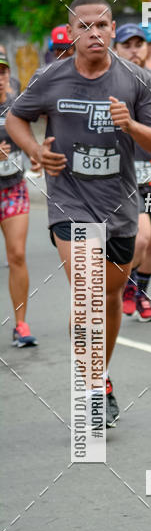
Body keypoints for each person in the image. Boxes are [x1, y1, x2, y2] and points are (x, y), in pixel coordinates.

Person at [6, 0, 151, 428]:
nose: (94, 33)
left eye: (101, 25)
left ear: (113, 29)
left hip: (119, 204)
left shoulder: (136, 80)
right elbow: (15, 119)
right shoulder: (51, 78)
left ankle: (101, 375)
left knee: (111, 298)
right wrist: (34, 153)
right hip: (69, 201)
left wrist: (131, 126)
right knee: (89, 294)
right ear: (72, 32)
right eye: (84, 26)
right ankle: (92, 385)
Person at [114, 23, 151, 321]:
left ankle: (141, 292)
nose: (134, 50)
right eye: (127, 45)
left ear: (147, 47)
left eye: (139, 44)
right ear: (117, 48)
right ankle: (127, 285)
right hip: (123, 177)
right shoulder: (107, 84)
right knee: (140, 237)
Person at [0, 52, 36, 347]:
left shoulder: (17, 103)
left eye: (2, 72)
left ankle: (21, 324)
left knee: (17, 255)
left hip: (13, 187)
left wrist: (36, 154)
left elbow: (27, 136)